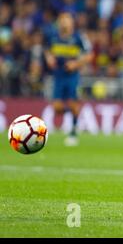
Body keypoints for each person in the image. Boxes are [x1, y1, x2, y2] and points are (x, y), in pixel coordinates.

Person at [44, 12, 92, 146]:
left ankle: (73, 132)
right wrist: (49, 58)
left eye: (67, 19)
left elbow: (89, 55)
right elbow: (47, 50)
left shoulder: (78, 38)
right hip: (58, 76)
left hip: (72, 76)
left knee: (72, 103)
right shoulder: (53, 37)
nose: (64, 22)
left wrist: (76, 64)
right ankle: (75, 113)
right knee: (56, 108)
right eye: (62, 19)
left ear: (72, 23)